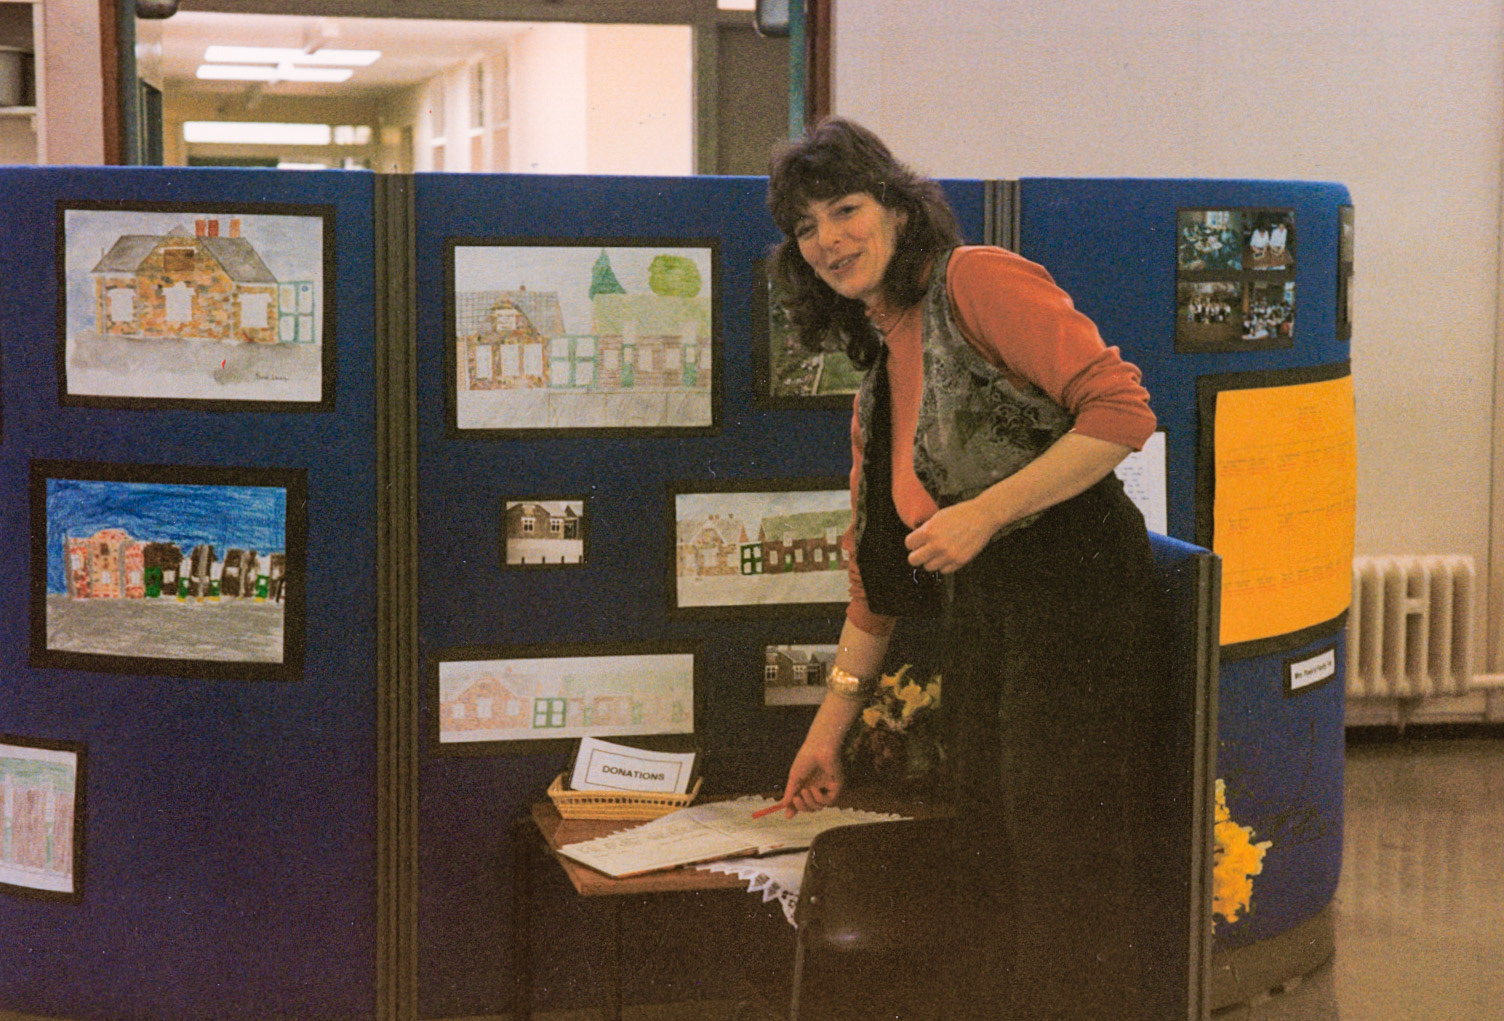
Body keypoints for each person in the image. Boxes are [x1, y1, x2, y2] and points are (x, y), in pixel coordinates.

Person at [766, 118, 1170, 1019]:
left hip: (1077, 589)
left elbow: (1121, 411)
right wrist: (827, 733)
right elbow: (875, 590)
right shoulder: (881, 368)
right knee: (994, 849)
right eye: (806, 227)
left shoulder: (975, 279)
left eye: (846, 209)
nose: (829, 238)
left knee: (1060, 858)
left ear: (898, 210)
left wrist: (985, 512)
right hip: (991, 611)